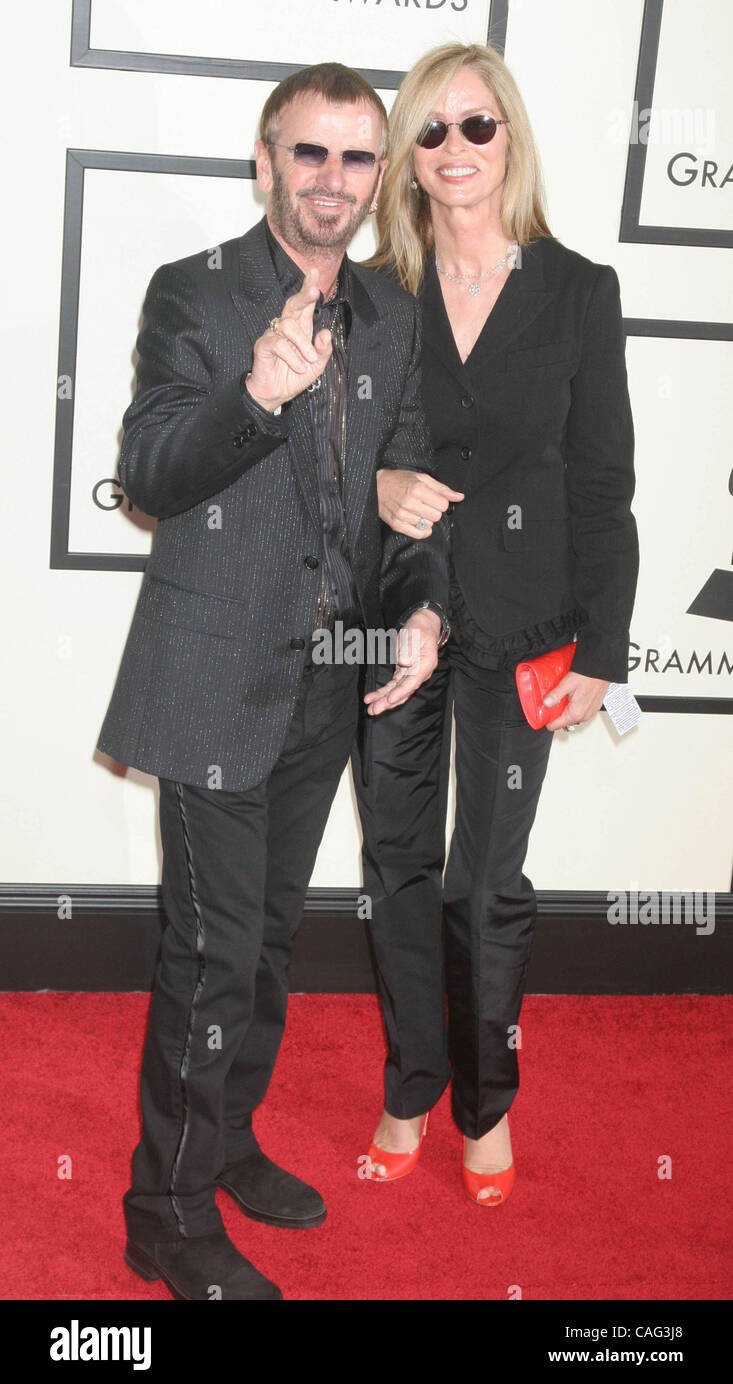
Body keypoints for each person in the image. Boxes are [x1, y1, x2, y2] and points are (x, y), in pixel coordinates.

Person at [96, 62, 449, 1300]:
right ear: (265, 160)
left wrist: (419, 608)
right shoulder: (195, 295)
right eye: (310, 155)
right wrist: (254, 393)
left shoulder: (397, 315)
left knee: (262, 948)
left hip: (325, 684)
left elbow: (399, 501)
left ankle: (226, 1138)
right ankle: (166, 1213)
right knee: (206, 952)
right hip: (207, 680)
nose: (333, 183)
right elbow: (150, 471)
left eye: (358, 161)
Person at [354, 42, 639, 1205]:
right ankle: (413, 1084)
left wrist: (607, 654)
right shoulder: (377, 292)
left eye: (477, 126)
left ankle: (487, 1103)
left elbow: (603, 483)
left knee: (488, 880)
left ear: (508, 138)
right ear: (407, 159)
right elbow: (351, 459)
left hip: (527, 629)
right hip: (397, 617)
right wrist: (381, 493)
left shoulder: (578, 289)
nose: (456, 150)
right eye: (430, 131)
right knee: (397, 862)